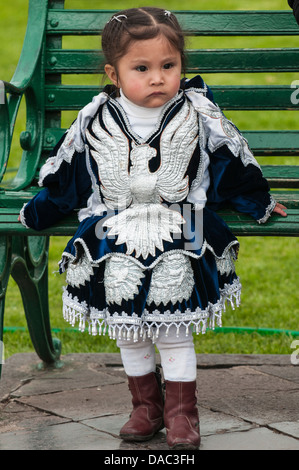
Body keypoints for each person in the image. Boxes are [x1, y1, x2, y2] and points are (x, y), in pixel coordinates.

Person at [19, 7, 287, 449]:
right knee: (130, 324)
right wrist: (38, 212)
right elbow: (69, 179)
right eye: (141, 68)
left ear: (181, 66)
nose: (158, 77)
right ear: (114, 72)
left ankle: (183, 413)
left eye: (169, 66)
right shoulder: (95, 118)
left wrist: (258, 202)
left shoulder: (197, 113)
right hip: (111, 230)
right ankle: (145, 407)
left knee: (172, 323)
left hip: (182, 225)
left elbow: (229, 166)